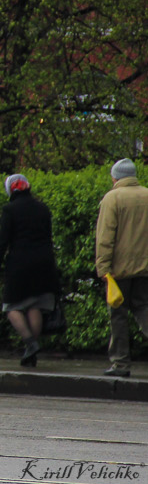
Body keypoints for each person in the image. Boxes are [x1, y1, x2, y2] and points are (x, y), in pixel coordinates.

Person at [0, 174, 60, 367]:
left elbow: (3, 241)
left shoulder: (9, 210)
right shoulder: (43, 208)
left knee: (11, 306)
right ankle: (31, 353)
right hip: (44, 262)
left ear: (11, 189)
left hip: (20, 264)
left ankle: (30, 343)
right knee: (34, 304)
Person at [94, 158, 148, 377]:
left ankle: (121, 363)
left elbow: (105, 237)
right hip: (145, 267)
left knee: (118, 314)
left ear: (115, 177)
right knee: (144, 308)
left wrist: (103, 268)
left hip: (119, 269)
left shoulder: (112, 198)